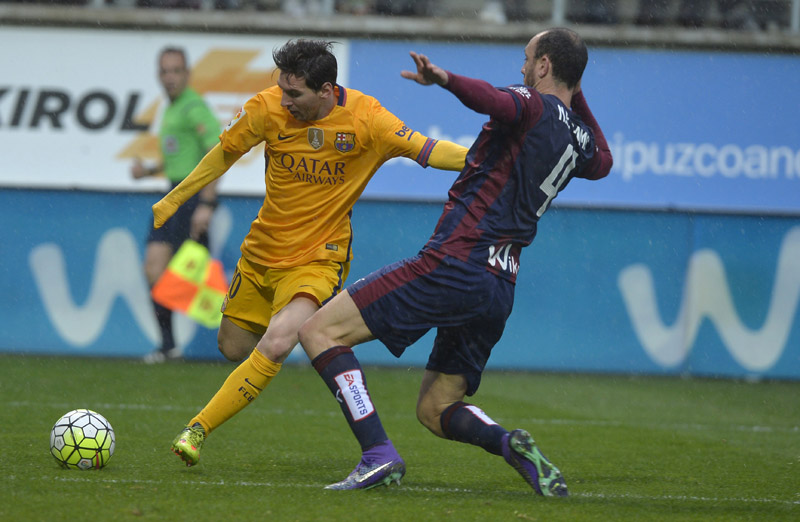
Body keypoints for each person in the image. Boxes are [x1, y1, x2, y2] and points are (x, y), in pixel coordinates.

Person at [297, 27, 613, 493]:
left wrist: (445, 78)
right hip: (499, 284)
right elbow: (604, 160)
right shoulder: (579, 137)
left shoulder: (530, 103)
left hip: (457, 262)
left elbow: (494, 100)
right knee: (436, 409)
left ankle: (377, 454)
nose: (521, 67)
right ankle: (508, 445)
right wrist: (576, 92)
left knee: (318, 330)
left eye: (528, 59)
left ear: (544, 67)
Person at [154, 39, 468, 466]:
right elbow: (222, 155)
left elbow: (430, 151)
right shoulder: (265, 109)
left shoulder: (367, 119)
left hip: (319, 259)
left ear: (325, 90)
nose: (284, 101)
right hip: (261, 253)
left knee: (280, 340)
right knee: (232, 346)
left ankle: (197, 429)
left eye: (294, 94)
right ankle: (268, 341)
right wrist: (176, 199)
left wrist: (494, 161)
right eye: (281, 89)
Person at [132, 47, 221, 364]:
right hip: (173, 194)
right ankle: (168, 346)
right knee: (153, 270)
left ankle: (257, 340)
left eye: (175, 71)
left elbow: (217, 153)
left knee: (204, 286)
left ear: (187, 74)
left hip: (193, 198)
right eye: (164, 71)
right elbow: (178, 159)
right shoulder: (170, 109)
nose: (169, 77)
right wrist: (149, 172)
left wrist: (207, 203)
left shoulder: (194, 107)